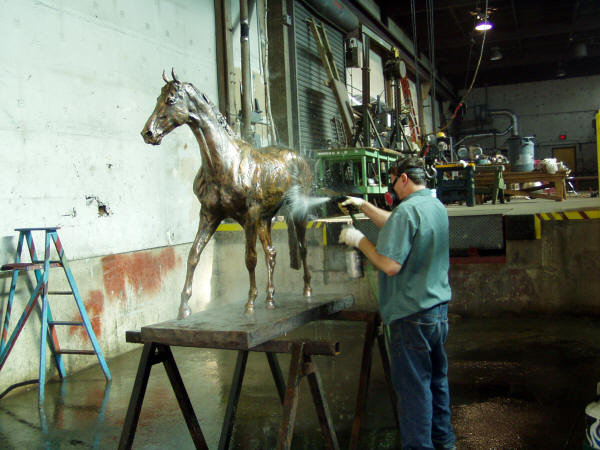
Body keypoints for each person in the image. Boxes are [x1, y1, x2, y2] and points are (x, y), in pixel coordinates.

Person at [338, 156, 455, 450]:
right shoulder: (434, 206)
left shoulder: (407, 212)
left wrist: (359, 240)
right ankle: (445, 444)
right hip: (437, 313)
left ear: (404, 178)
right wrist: (362, 205)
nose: (392, 188)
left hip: (411, 315)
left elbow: (389, 265)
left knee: (414, 392)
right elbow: (397, 222)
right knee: (436, 383)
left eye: (393, 181)